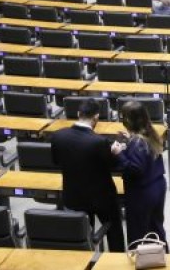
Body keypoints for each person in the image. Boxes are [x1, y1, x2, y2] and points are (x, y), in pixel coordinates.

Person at [50, 98, 125, 252]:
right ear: (96, 117)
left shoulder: (57, 136)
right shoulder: (100, 142)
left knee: (81, 235)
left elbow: (56, 161)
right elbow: (114, 166)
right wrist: (116, 152)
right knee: (114, 232)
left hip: (73, 196)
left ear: (78, 114)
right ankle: (117, 258)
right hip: (102, 198)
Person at [113, 101, 168, 251]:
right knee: (156, 228)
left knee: (138, 233)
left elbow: (135, 169)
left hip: (142, 193)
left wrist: (119, 154)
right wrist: (129, 141)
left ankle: (142, 260)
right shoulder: (149, 133)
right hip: (157, 185)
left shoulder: (137, 143)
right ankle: (162, 255)